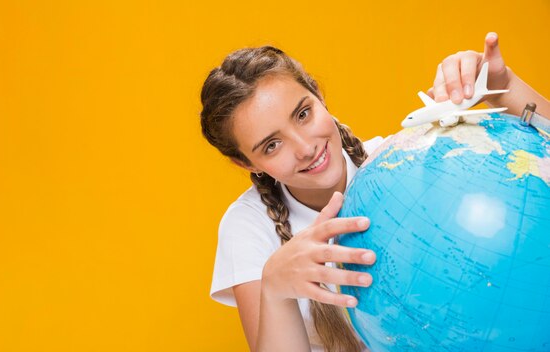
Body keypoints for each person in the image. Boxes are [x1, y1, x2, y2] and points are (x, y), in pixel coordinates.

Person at [200, 32, 549, 352]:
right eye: (272, 145)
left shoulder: (407, 164)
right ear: (247, 164)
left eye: (303, 113)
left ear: (319, 95)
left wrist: (505, 85)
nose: (305, 148)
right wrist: (274, 290)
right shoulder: (247, 227)